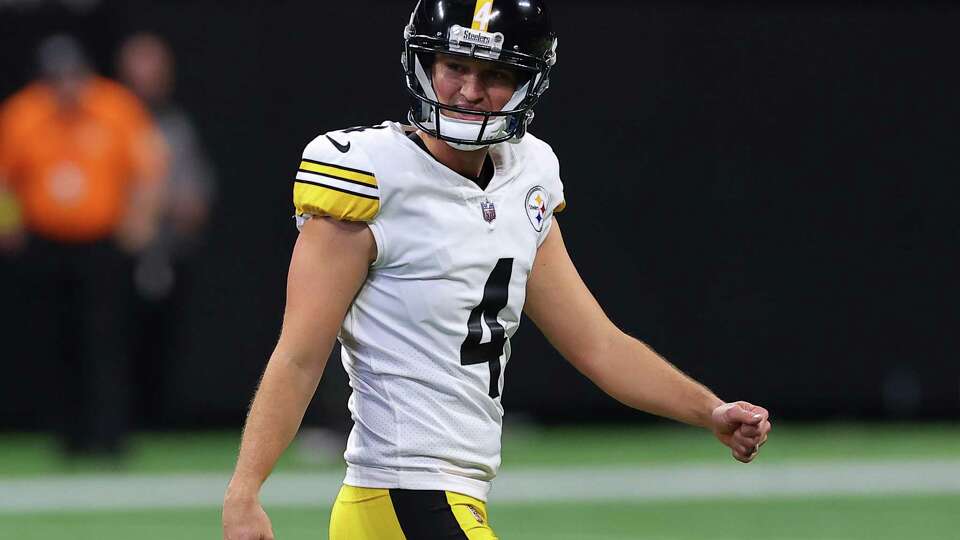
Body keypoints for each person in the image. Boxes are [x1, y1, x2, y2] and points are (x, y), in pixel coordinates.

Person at [222, 1, 772, 539]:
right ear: (425, 64)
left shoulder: (527, 174)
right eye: (454, 66)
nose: (468, 90)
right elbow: (299, 355)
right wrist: (245, 491)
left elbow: (599, 344)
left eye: (496, 74)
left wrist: (711, 410)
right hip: (403, 495)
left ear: (528, 83)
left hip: (445, 501)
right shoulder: (368, 174)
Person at [0, 35, 166, 458]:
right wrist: (9, 224)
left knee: (106, 340)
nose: (66, 87)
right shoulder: (22, 113)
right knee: (55, 339)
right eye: (57, 79)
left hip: (102, 245)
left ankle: (110, 434)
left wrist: (140, 222)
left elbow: (148, 168)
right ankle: (67, 436)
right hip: (45, 244)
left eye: (73, 77)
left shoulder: (116, 107)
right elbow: (4, 177)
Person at [117, 32, 217, 425]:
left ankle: (159, 420)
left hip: (169, 250)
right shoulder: (110, 119)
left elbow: (194, 194)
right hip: (118, 254)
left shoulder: (176, 126)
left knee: (165, 344)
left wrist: (172, 206)